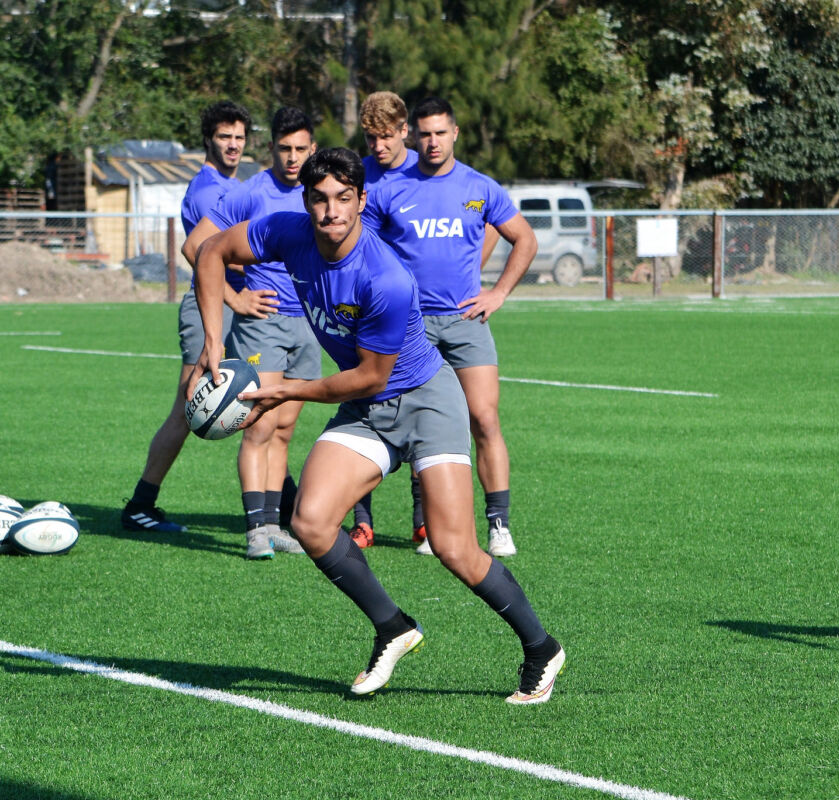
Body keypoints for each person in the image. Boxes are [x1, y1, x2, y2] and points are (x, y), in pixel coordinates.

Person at [190, 147, 565, 703]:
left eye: (344, 198)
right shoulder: (286, 232)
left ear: (362, 202)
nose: (331, 211)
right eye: (319, 199)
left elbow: (368, 377)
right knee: (311, 523)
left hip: (425, 400)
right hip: (370, 410)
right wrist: (215, 340)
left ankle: (540, 647)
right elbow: (211, 251)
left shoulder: (384, 277)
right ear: (305, 201)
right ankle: (393, 626)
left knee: (452, 547)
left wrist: (287, 391)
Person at [364, 96, 537, 559]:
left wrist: (498, 293)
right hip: (410, 326)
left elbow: (525, 238)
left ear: (455, 133)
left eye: (441, 132)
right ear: (413, 136)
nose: (432, 141)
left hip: (465, 322)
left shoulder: (479, 187)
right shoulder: (390, 190)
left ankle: (498, 525)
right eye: (425, 133)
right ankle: (431, 525)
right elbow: (363, 250)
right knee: (417, 421)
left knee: (484, 418)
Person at [120, 100, 279, 534]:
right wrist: (237, 300)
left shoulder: (236, 182)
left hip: (235, 304)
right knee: (188, 408)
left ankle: (285, 505)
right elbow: (197, 252)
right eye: (225, 136)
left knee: (261, 402)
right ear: (208, 139)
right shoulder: (210, 190)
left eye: (239, 137)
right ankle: (140, 503)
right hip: (212, 305)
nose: (232, 145)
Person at [183, 107, 319, 560]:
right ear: (272, 148)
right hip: (263, 327)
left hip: (309, 325)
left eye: (301, 148)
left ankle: (275, 523)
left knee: (284, 428)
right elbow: (196, 247)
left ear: (312, 149)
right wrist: (235, 300)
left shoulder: (320, 193)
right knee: (257, 427)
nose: (293, 157)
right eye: (284, 148)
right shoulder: (250, 192)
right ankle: (254, 530)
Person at [337, 91, 420, 550]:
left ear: (403, 129)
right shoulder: (358, 177)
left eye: (386, 137)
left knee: (421, 416)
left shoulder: (422, 174)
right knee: (363, 410)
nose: (378, 146)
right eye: (371, 138)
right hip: (365, 312)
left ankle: (422, 520)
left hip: (415, 312)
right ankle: (362, 520)